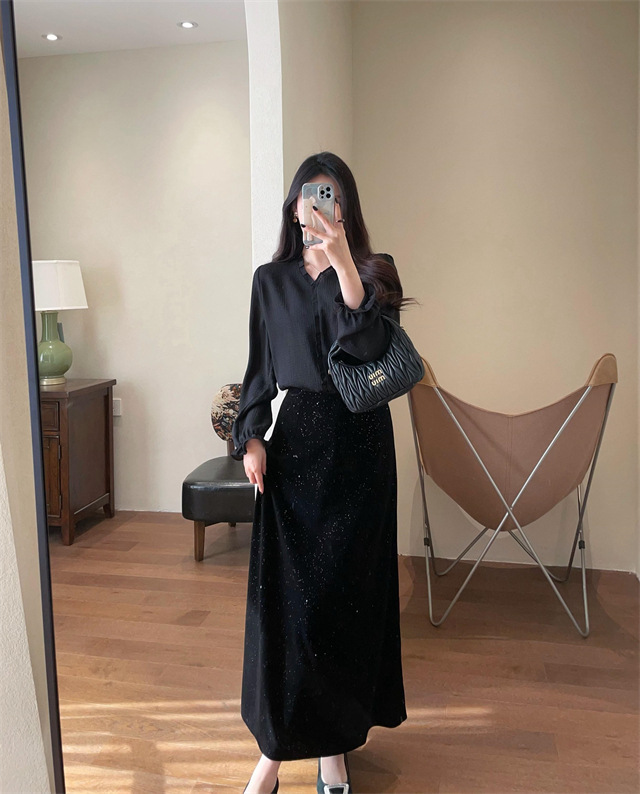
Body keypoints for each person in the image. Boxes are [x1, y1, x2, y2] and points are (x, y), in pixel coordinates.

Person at [232, 152, 416, 794]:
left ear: (346, 209)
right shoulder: (270, 280)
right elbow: (259, 369)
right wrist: (251, 438)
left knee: (345, 607)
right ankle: (274, 752)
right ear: (294, 206)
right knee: (287, 611)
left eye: (331, 196)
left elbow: (369, 349)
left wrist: (343, 266)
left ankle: (333, 750)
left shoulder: (374, 271)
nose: (318, 206)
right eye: (310, 195)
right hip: (297, 448)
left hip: (361, 450)